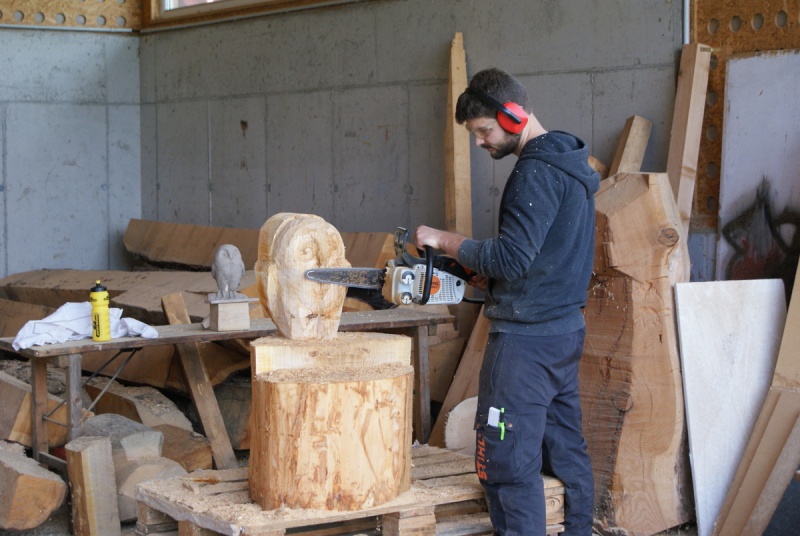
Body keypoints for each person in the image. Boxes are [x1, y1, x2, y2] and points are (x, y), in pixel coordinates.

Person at [415, 68, 598, 535]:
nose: (479, 142)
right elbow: (545, 256)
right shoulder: (568, 163)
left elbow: (512, 257)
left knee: (506, 464)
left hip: (524, 346)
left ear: (514, 116)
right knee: (565, 450)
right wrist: (489, 273)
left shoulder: (534, 172)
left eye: (483, 131)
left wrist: (445, 239)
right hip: (563, 332)